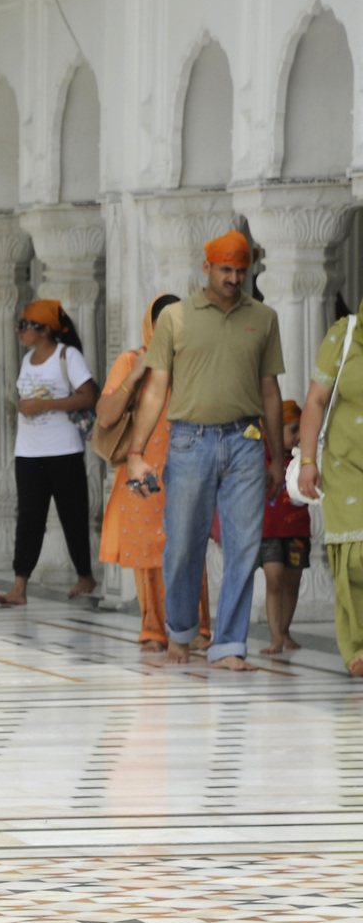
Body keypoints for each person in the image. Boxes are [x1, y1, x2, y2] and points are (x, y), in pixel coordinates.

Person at [127, 231, 286, 669]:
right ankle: (180, 632)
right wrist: (136, 453)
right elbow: (156, 390)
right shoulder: (176, 318)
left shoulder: (264, 318)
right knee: (182, 545)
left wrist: (278, 458)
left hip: (247, 444)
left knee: (244, 547)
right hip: (189, 441)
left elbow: (270, 392)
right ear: (207, 269)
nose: (235, 278)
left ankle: (230, 644)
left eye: (241, 270)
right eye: (226, 270)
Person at [0, 299, 100, 607]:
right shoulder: (28, 360)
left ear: (43, 330)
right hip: (28, 452)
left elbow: (88, 396)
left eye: (24, 325)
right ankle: (19, 586)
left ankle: (85, 575)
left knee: (73, 516)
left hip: (63, 450)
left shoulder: (68, 356)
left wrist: (44, 405)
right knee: (28, 518)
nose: (19, 330)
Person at [99, 294, 181, 652]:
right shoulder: (131, 360)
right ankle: (153, 629)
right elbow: (105, 416)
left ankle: (195, 628)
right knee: (146, 550)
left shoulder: (193, 362)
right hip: (141, 468)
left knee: (184, 547)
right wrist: (136, 373)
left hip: (184, 465)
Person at [296, 310, 363, 675]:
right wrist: (308, 460)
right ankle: (357, 643)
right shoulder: (347, 333)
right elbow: (316, 401)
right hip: (346, 463)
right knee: (353, 555)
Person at [257, 399, 310, 656]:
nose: (299, 436)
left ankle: (284, 630)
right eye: (293, 430)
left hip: (297, 530)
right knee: (274, 580)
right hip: (268, 532)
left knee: (292, 582)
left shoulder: (304, 459)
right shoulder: (261, 457)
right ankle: (275, 637)